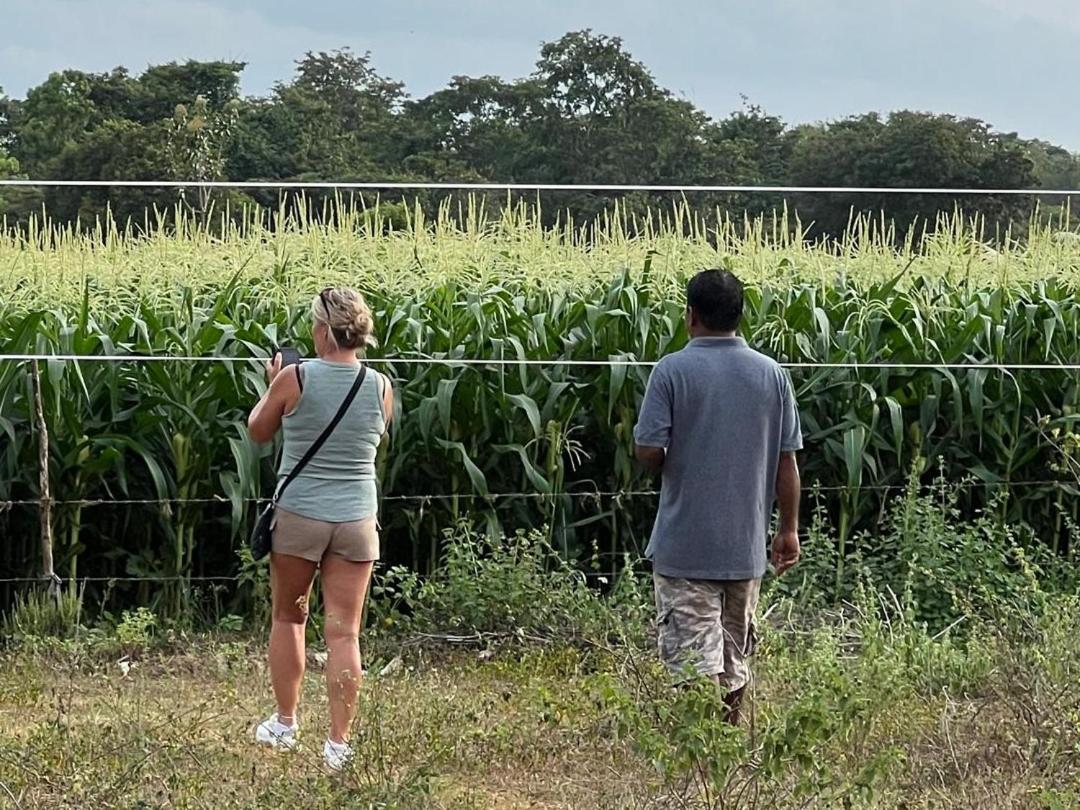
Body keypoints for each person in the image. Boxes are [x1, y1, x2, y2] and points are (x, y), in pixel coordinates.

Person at [633, 269, 802, 724]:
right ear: (739, 316)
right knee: (733, 662)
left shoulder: (671, 371)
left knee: (693, 663)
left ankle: (700, 763)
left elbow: (648, 447)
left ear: (690, 316)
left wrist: (671, 461)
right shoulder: (772, 375)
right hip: (744, 550)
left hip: (685, 546)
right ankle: (725, 750)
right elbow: (787, 462)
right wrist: (787, 530)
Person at [247, 287, 394, 770]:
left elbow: (258, 430)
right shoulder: (380, 385)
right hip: (357, 520)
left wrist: (272, 384)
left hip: (300, 515)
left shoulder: (296, 376)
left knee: (291, 618)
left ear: (323, 331)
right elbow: (375, 437)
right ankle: (338, 744)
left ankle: (286, 724)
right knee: (344, 634)